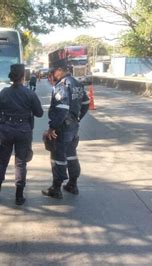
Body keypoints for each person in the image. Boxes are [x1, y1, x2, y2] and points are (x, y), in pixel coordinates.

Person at [0, 64, 43, 205]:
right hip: (23, 131)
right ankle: (19, 196)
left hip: (6, 130)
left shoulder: (4, 92)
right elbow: (39, 113)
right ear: (23, 76)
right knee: (20, 164)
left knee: (2, 162)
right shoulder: (30, 93)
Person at [41, 60, 90, 199]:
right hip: (73, 126)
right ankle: (72, 184)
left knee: (58, 157)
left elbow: (62, 109)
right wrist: (78, 117)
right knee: (71, 154)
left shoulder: (62, 85)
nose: (51, 75)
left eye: (53, 71)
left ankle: (56, 189)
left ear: (61, 69)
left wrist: (52, 128)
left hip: (62, 127)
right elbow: (86, 103)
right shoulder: (77, 83)